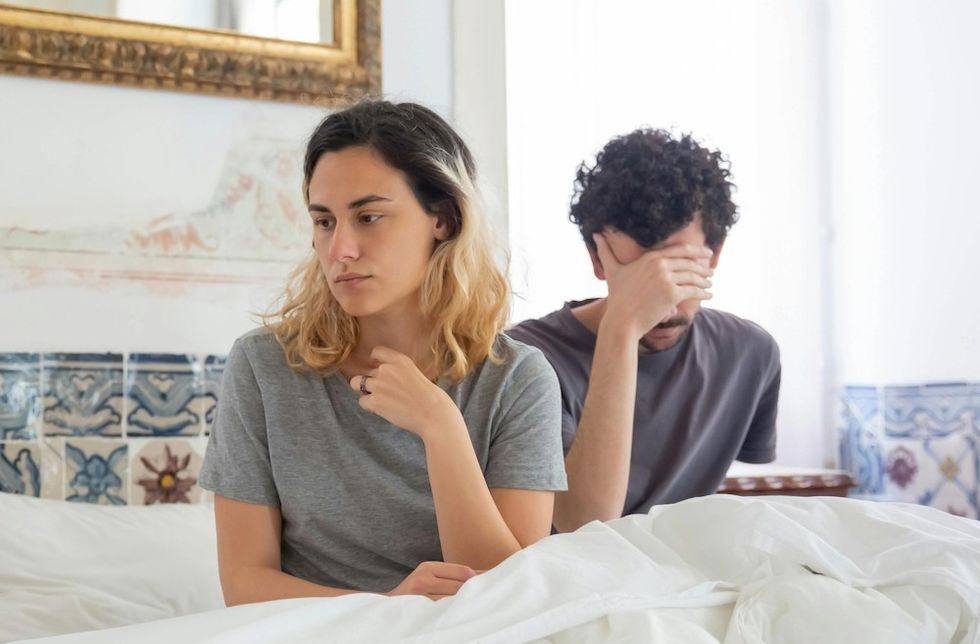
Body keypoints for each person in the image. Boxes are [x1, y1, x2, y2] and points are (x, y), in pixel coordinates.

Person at [199, 100, 566, 604]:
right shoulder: (264, 367)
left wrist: (440, 426)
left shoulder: (518, 379)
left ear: (444, 217)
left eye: (369, 217)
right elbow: (243, 584)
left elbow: (510, 595)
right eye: (324, 221)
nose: (340, 249)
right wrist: (388, 611)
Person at [508, 129, 780, 533]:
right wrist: (621, 328)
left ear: (714, 256)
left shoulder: (750, 353)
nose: (663, 305)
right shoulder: (523, 358)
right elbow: (584, 522)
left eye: (677, 270)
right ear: (598, 260)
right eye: (642, 277)